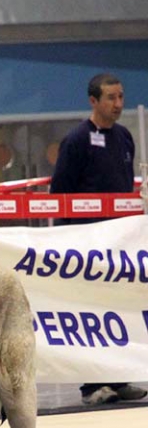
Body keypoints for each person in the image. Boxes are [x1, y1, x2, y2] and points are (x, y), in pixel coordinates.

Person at [50, 72, 147, 407]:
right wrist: (71, 242)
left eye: (121, 97)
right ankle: (92, 385)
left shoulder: (124, 137)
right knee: (89, 311)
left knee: (119, 308)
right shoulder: (76, 141)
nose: (118, 104)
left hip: (120, 243)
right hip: (86, 242)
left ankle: (118, 380)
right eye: (111, 98)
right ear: (94, 101)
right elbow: (58, 194)